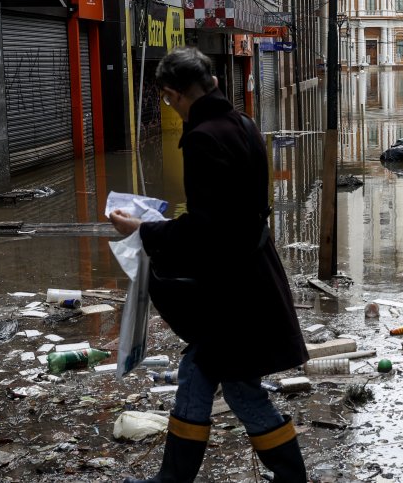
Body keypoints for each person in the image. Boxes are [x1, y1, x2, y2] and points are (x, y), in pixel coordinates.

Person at [110, 48, 309, 483]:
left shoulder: (202, 138)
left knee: (233, 384)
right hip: (252, 277)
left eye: (166, 99)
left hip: (231, 291)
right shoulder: (243, 124)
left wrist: (143, 229)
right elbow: (236, 217)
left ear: (173, 93)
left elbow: (206, 230)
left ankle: (290, 478)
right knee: (203, 375)